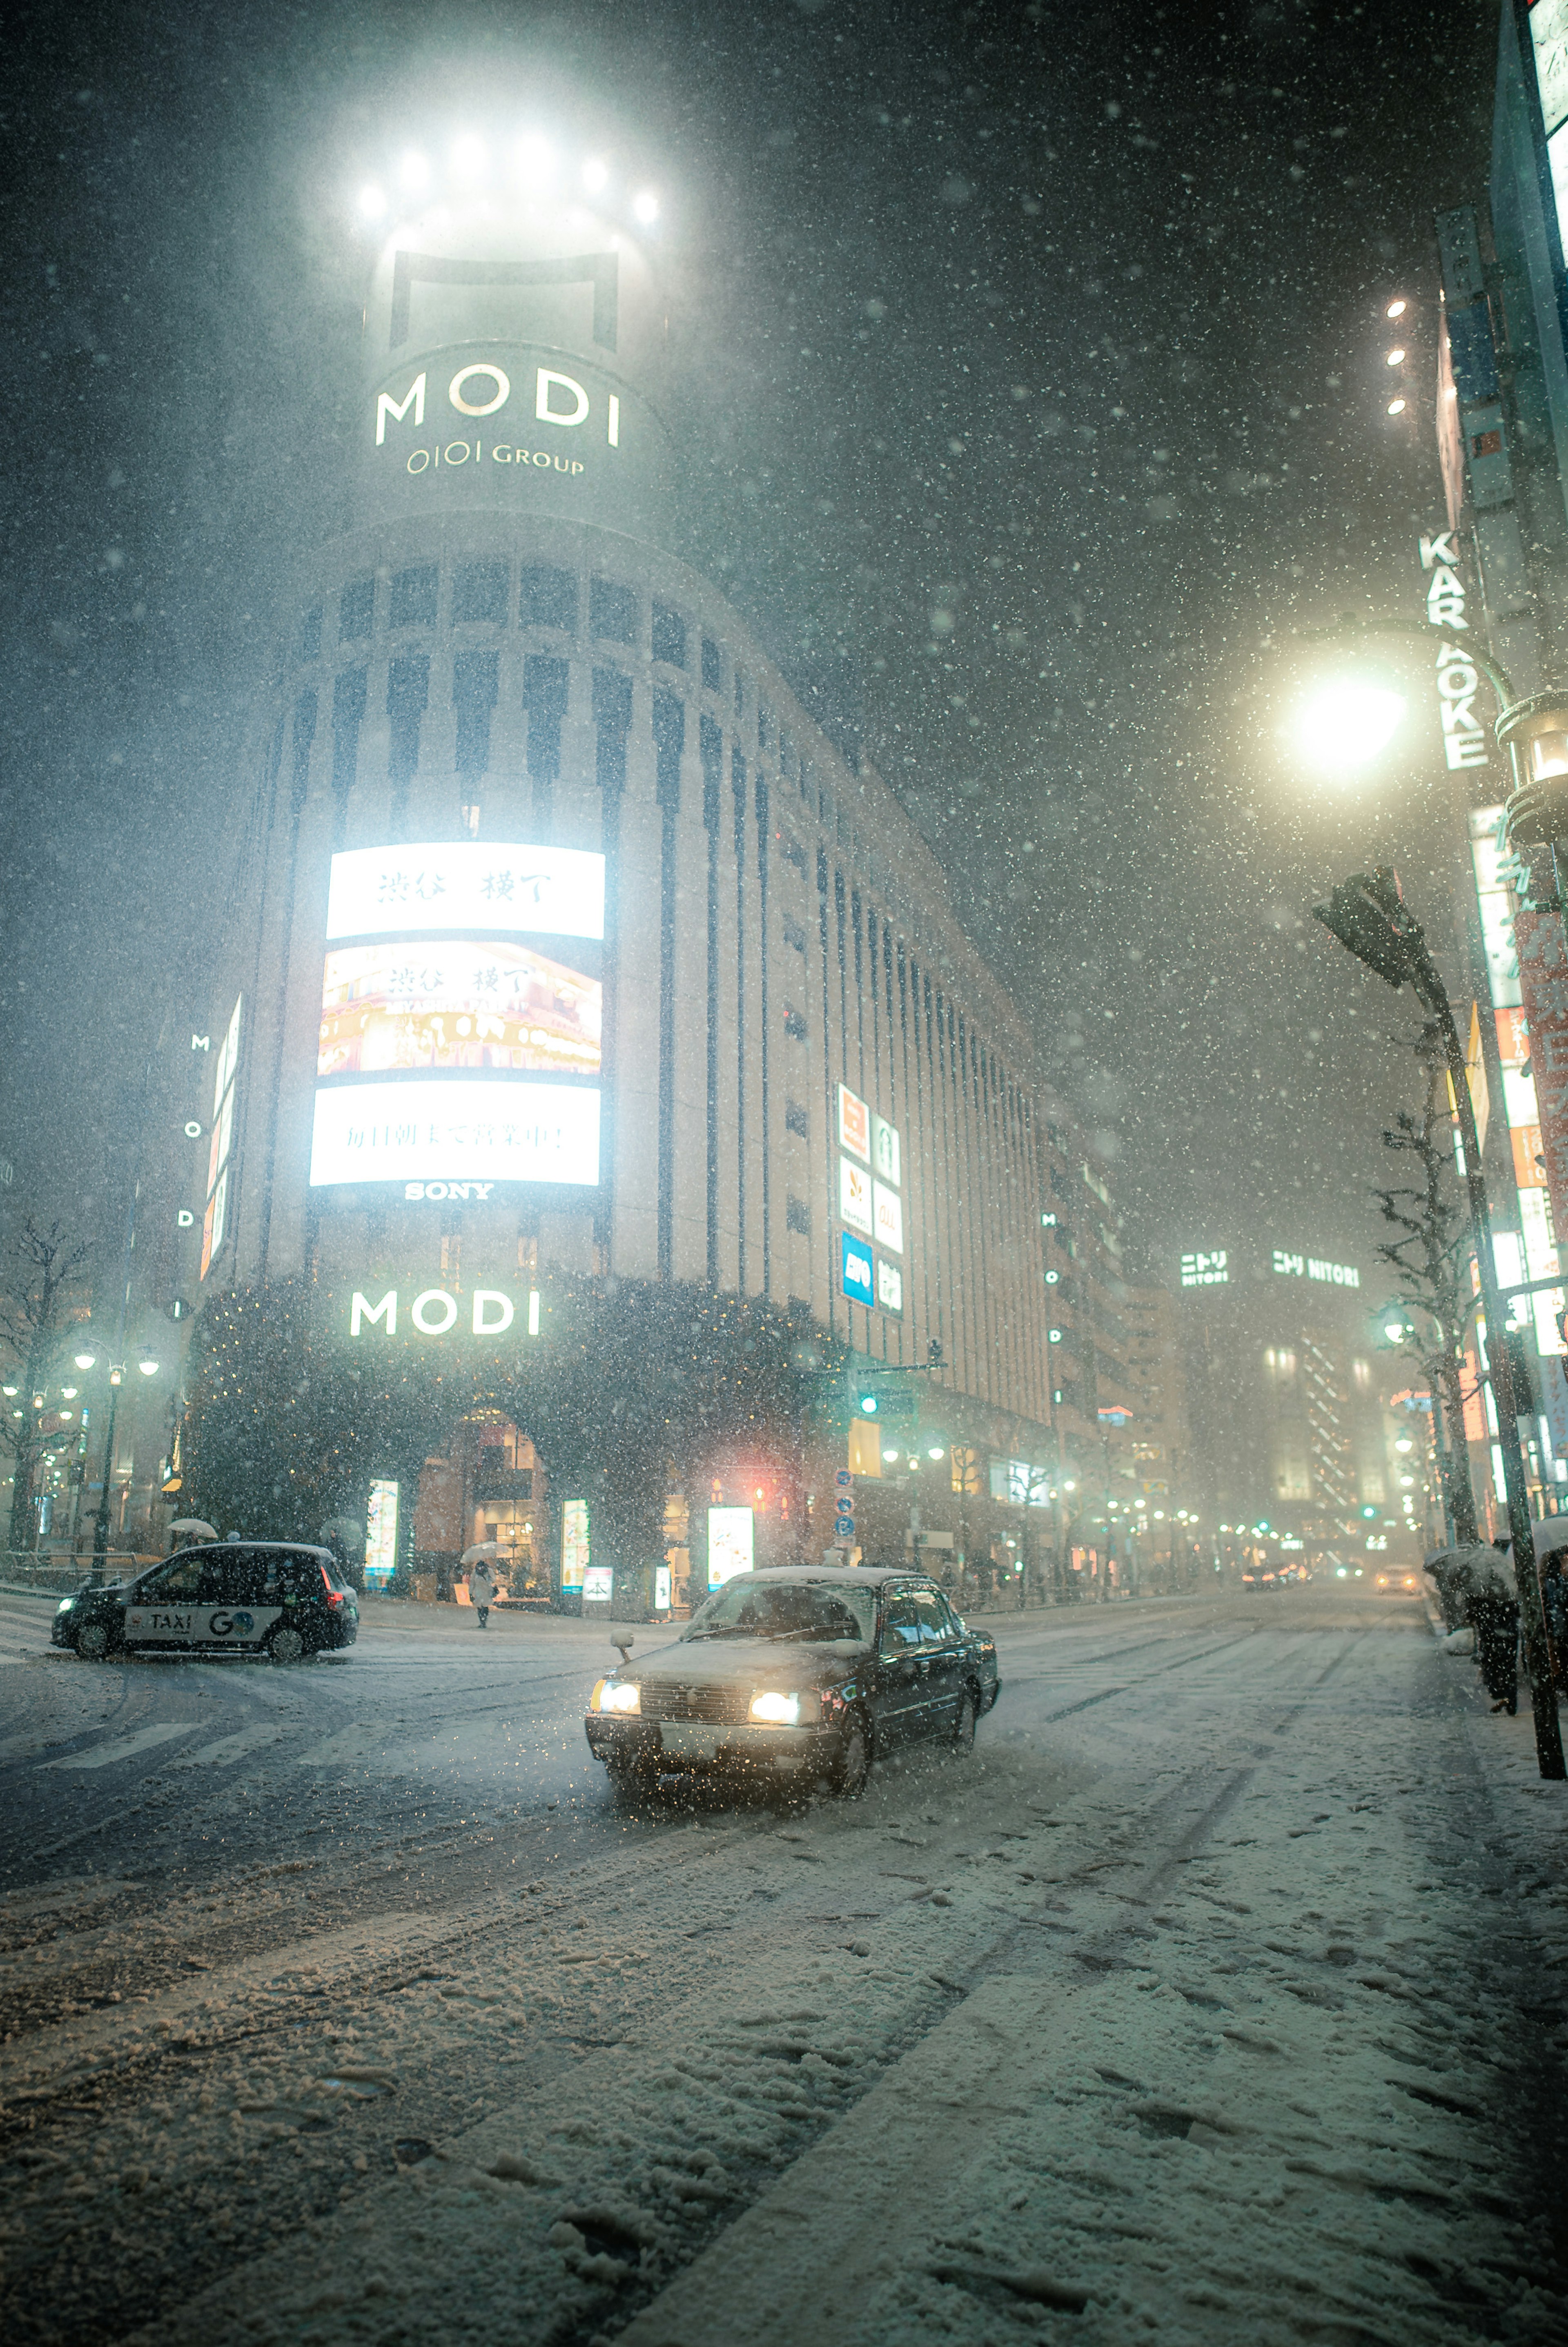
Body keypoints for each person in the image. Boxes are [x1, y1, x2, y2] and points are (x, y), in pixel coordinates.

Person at [1468, 1558, 1520, 1715]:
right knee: (1509, 1669)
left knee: (1491, 1666)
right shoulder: (1510, 1592)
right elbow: (1516, 1612)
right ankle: (1511, 1700)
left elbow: (1473, 1614)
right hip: (1508, 1635)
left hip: (1489, 1636)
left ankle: (1499, 1694)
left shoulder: (1479, 1594)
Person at [469, 1552, 497, 1630]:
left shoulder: (489, 1571)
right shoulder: (475, 1572)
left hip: (486, 1591)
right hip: (478, 1591)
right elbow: (472, 1583)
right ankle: (482, 1621)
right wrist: (470, 1593)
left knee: (485, 1606)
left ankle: (484, 1622)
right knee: (479, 1607)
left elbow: (494, 1579)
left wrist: (488, 1580)